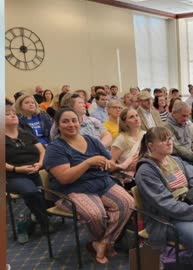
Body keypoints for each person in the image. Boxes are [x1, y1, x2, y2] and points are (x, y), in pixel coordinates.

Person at [43, 107, 134, 265]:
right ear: (57, 125)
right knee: (95, 214)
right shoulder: (55, 148)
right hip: (72, 189)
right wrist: (88, 162)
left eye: (74, 120)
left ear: (80, 122)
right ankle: (101, 242)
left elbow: (109, 164)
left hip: (101, 183)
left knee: (127, 203)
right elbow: (65, 178)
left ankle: (103, 243)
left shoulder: (91, 140)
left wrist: (119, 165)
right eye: (65, 121)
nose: (71, 124)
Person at [135, 126, 193, 270]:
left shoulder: (175, 160)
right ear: (151, 146)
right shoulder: (146, 171)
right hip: (169, 218)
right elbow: (165, 204)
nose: (170, 142)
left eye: (170, 139)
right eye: (164, 140)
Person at [5, 105, 51, 235]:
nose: (13, 115)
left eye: (14, 113)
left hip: (35, 170)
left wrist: (40, 164)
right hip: (12, 175)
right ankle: (44, 222)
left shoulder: (26, 134)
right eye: (7, 114)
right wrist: (17, 169)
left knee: (51, 188)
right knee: (31, 192)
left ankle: (33, 218)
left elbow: (42, 150)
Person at [110, 108, 146, 186]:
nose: (136, 119)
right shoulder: (121, 139)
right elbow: (111, 163)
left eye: (137, 115)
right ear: (125, 123)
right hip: (130, 178)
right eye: (131, 117)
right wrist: (125, 167)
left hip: (147, 170)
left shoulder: (145, 135)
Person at [166, 101, 193, 165]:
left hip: (191, 157)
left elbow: (192, 144)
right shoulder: (167, 127)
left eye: (188, 116)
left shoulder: (185, 124)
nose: (186, 119)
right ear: (174, 113)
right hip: (179, 160)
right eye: (183, 116)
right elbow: (177, 148)